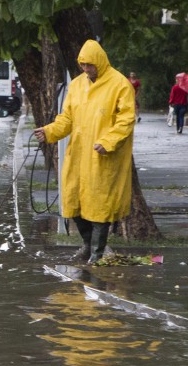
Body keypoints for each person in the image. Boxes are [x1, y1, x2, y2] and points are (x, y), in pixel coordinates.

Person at [32, 39, 136, 265]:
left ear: (100, 61)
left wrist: (108, 142)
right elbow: (66, 119)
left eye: (90, 65)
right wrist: (49, 132)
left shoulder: (119, 84)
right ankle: (87, 247)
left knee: (100, 206)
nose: (87, 69)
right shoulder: (77, 85)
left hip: (103, 157)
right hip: (78, 155)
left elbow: (126, 121)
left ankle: (97, 255)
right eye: (83, 65)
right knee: (74, 202)